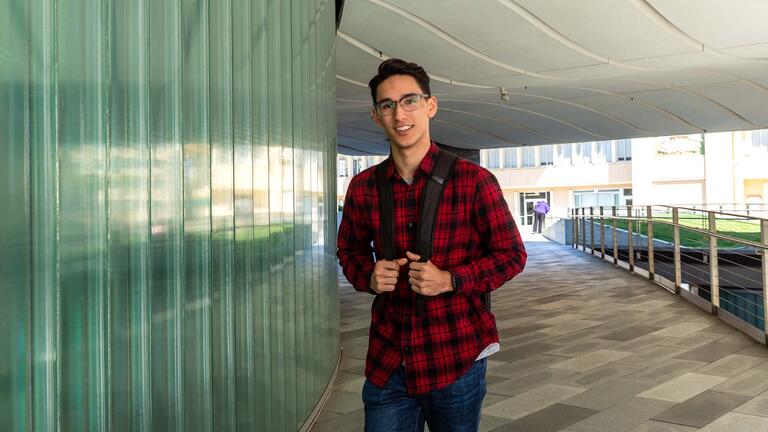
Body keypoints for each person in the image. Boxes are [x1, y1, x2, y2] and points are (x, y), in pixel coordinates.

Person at [337, 58, 527, 432]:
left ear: (430, 106)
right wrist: (369, 275)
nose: (399, 113)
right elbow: (350, 252)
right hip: (388, 359)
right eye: (387, 105)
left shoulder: (474, 181)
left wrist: (451, 280)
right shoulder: (363, 187)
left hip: (455, 356)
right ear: (377, 116)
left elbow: (512, 256)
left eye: (409, 101)